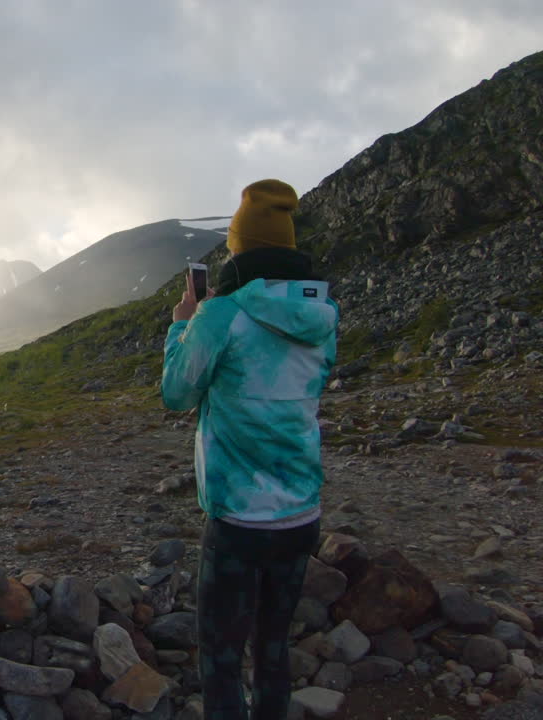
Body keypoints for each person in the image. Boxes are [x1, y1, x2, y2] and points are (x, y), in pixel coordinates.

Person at [161, 179, 339, 720]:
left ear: (239, 249)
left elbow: (177, 393)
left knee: (219, 656)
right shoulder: (322, 316)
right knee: (274, 649)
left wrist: (180, 328)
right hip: (301, 511)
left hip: (240, 519)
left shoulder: (222, 314)